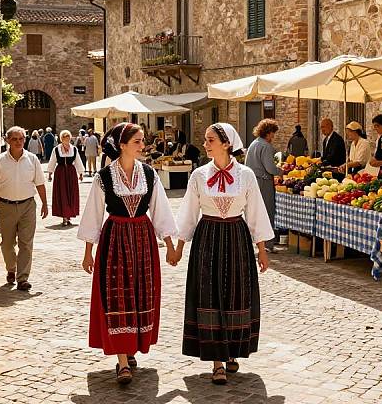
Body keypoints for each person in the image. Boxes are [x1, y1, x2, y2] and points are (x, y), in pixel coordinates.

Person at [77, 122, 178, 385]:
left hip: (143, 238)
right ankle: (122, 361)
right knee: (116, 295)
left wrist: (169, 244)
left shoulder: (149, 174)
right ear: (122, 145)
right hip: (115, 239)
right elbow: (93, 215)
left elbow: (160, 210)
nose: (143, 145)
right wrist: (88, 251)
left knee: (140, 292)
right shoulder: (104, 177)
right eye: (138, 141)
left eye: (142, 141)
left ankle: (131, 347)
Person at [173, 123, 273, 385]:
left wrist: (262, 250)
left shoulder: (246, 175)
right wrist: (179, 247)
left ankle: (231, 351)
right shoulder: (198, 175)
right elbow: (188, 213)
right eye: (205, 140)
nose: (205, 144)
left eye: (210, 140)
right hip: (207, 237)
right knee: (209, 294)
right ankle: (217, 362)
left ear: (226, 143)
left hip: (236, 238)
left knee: (235, 295)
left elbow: (256, 213)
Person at [0, 126, 48, 291]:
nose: (18, 142)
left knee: (26, 243)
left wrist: (45, 203)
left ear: (24, 140)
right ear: (7, 140)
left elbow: (40, 183)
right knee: (6, 244)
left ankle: (22, 278)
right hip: (6, 206)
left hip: (28, 205)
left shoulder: (32, 159)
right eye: (14, 139)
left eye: (21, 139)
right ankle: (11, 269)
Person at [245, 119, 281, 252]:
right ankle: (268, 244)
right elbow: (270, 168)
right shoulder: (266, 146)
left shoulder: (254, 143)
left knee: (255, 213)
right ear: (268, 133)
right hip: (264, 182)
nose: (273, 136)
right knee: (267, 212)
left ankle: (257, 242)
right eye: (273, 133)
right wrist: (280, 171)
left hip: (253, 181)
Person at [47, 130, 85, 226]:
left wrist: (80, 173)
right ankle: (64, 216)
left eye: (68, 138)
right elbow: (52, 161)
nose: (66, 140)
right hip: (60, 174)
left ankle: (69, 215)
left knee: (71, 193)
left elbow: (78, 161)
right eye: (64, 138)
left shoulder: (74, 149)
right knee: (62, 194)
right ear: (61, 139)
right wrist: (50, 173)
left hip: (71, 173)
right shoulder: (56, 149)